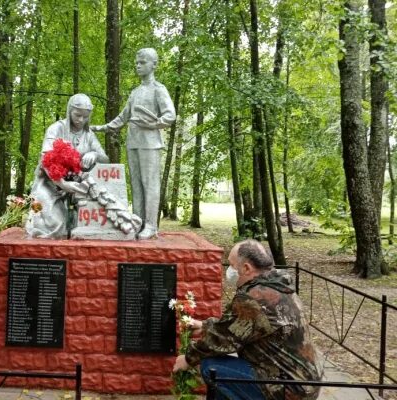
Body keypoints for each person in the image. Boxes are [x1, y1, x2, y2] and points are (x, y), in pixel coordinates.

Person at [173, 239, 323, 400]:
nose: (229, 270)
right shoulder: (276, 285)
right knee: (224, 374)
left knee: (212, 367)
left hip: (288, 389)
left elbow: (223, 340)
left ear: (246, 268)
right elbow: (240, 326)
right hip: (303, 381)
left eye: (231, 265)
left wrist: (188, 358)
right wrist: (204, 326)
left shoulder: (255, 297)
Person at [92, 48, 176, 239]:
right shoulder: (135, 92)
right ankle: (138, 222)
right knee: (136, 184)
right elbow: (122, 118)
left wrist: (154, 123)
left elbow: (170, 115)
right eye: (137, 63)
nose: (138, 66)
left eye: (142, 62)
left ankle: (151, 226)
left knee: (150, 184)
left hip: (150, 144)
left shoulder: (159, 90)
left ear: (154, 64)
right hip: (133, 143)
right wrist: (99, 128)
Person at [26, 93, 109, 239]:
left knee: (84, 227)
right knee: (54, 227)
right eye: (77, 115)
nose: (81, 120)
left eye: (85, 116)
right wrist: (63, 184)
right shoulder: (56, 129)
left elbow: (105, 159)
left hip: (77, 187)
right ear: (69, 111)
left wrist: (94, 154)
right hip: (49, 184)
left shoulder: (88, 135)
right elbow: (46, 159)